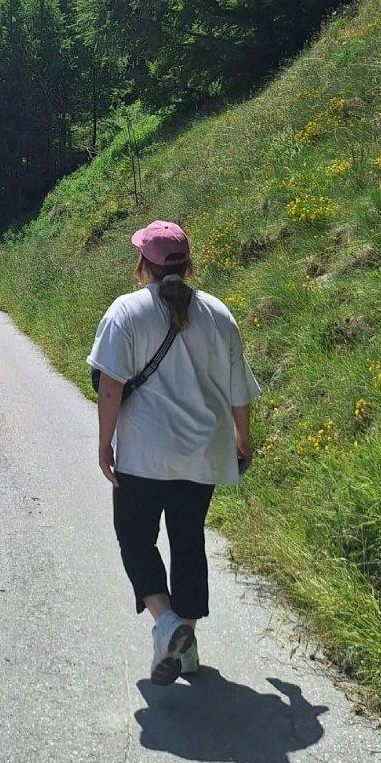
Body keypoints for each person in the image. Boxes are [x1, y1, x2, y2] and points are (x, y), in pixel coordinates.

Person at [88, 219, 260, 684]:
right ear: (189, 264)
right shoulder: (218, 314)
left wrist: (104, 445)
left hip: (143, 455)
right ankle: (187, 648)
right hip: (203, 453)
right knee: (188, 542)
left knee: (135, 538)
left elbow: (110, 388)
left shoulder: (126, 312)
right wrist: (243, 441)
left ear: (142, 264)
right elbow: (238, 391)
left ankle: (166, 625)